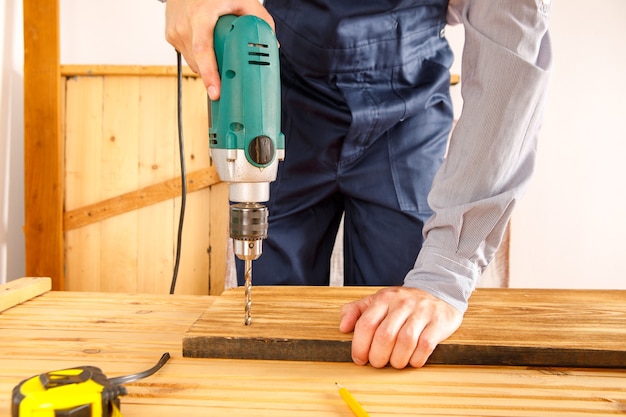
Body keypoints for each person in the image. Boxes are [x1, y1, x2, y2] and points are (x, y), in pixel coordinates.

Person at [162, 0, 552, 369]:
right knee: (271, 314)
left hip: (408, 107)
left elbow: (511, 64)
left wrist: (445, 274)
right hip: (286, 96)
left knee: (399, 330)